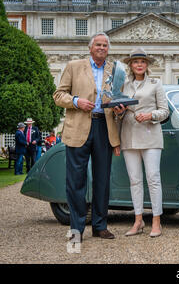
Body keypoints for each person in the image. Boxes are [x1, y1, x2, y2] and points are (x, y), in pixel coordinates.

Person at [53, 32, 121, 242]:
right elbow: (58, 95)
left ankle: (100, 225)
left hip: (104, 126)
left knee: (102, 180)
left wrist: (120, 109)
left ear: (108, 49)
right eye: (98, 45)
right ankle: (76, 228)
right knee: (75, 181)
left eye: (105, 46)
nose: (102, 48)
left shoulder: (115, 70)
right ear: (90, 48)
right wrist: (76, 101)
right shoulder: (74, 66)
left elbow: (119, 97)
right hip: (79, 126)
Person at [113, 48, 169, 238]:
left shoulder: (156, 84)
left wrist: (150, 115)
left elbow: (165, 111)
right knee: (135, 181)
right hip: (128, 136)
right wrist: (119, 111)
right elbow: (117, 113)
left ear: (147, 65)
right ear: (130, 65)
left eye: (142, 62)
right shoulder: (123, 85)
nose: (139, 65)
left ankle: (156, 221)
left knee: (153, 178)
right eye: (135, 61)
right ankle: (138, 221)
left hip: (151, 135)